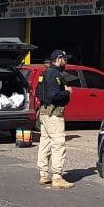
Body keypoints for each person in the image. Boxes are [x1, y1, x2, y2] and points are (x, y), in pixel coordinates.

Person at [36, 50, 74, 189]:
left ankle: (43, 173)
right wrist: (67, 92)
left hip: (44, 113)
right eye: (65, 59)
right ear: (59, 59)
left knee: (45, 142)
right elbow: (54, 95)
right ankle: (57, 177)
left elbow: (37, 93)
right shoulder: (55, 74)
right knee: (58, 143)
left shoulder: (44, 73)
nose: (66, 62)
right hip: (54, 113)